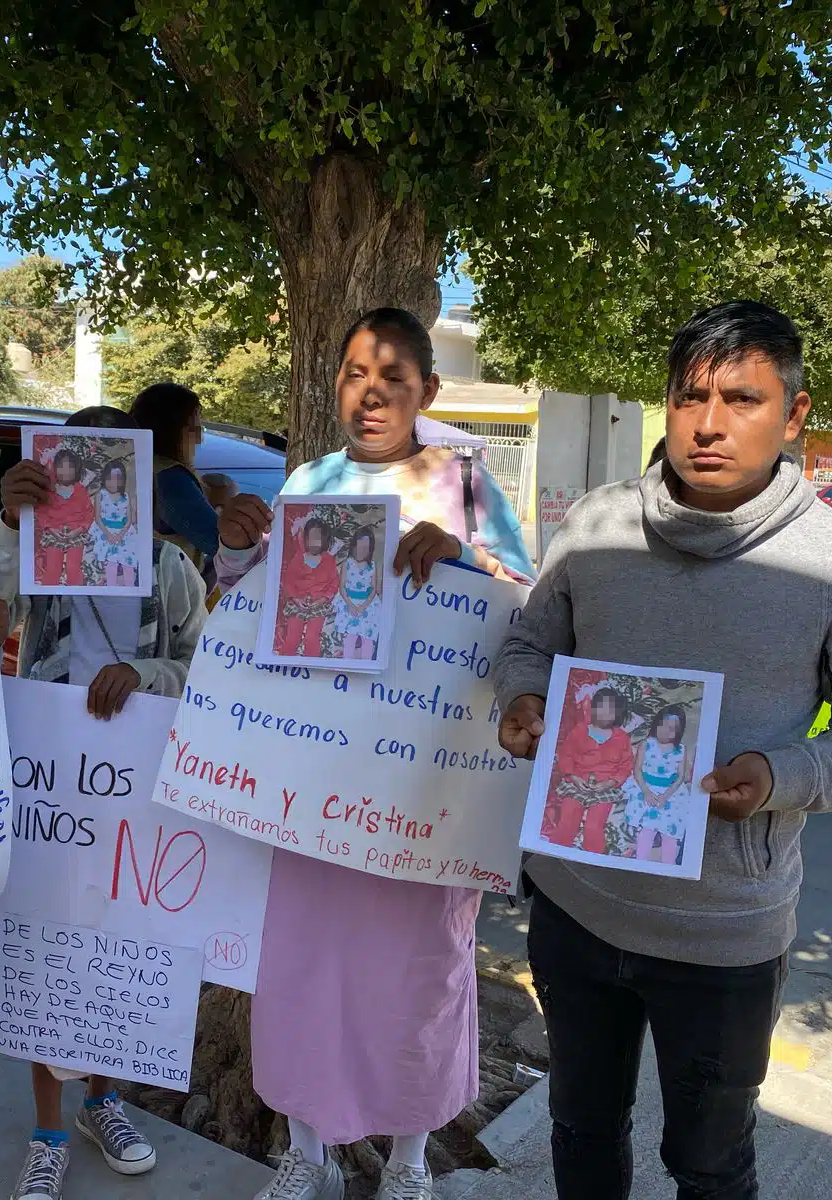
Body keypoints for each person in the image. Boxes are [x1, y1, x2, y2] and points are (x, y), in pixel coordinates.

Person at [493, 300, 832, 1200]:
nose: (711, 424)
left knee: (710, 1165)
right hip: (574, 900)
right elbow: (532, 642)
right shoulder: (598, 527)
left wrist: (780, 778)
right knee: (581, 1130)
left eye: (743, 399)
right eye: (690, 398)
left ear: (794, 416)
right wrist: (524, 697)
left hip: (723, 930)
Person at [213, 307, 534, 1200]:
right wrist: (239, 554)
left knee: (420, 972)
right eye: (356, 373)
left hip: (426, 789)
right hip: (313, 780)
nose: (372, 392)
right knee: (304, 970)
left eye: (393, 376)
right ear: (336, 382)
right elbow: (252, 618)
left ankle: (408, 1161)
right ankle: (304, 1152)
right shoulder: (309, 481)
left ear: (427, 390)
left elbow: (526, 613)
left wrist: (465, 557)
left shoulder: (463, 485)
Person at [0, 405, 208, 1200]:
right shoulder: (32, 559)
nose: (93, 491)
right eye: (71, 473)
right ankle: (48, 1128)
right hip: (50, 787)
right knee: (43, 950)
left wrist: (150, 679)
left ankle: (104, 1101)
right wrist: (7, 517)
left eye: (111, 473)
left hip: (138, 796)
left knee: (117, 947)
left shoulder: (171, 570)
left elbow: (206, 669)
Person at [128, 383, 220, 570]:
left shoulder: (129, 465)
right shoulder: (170, 477)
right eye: (195, 429)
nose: (199, 439)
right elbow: (218, 544)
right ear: (172, 430)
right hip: (170, 589)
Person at [544, 687, 634, 855]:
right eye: (601, 706)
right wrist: (573, 777)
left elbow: (626, 765)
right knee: (568, 822)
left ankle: (594, 859)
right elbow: (566, 756)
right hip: (577, 782)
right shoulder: (579, 731)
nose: (605, 712)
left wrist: (610, 782)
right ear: (592, 708)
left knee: (594, 826)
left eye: (611, 709)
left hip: (605, 788)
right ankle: (554, 853)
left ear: (618, 713)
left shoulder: (622, 738)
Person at [621, 706, 690, 865]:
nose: (666, 731)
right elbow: (637, 770)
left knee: (671, 828)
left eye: (672, 729)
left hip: (671, 791)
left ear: (679, 731)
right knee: (647, 825)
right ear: (656, 725)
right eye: (663, 725)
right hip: (646, 786)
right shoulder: (646, 744)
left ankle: (668, 865)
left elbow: (680, 777)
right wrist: (646, 792)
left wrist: (666, 796)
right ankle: (640, 862)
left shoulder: (681, 750)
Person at [274, 516, 340, 657]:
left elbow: (334, 584)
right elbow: (288, 581)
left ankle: (312, 667)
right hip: (297, 604)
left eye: (318, 538)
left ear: (324, 540)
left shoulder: (328, 561)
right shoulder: (298, 558)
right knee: (292, 638)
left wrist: (322, 600)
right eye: (311, 538)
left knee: (311, 638)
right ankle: (284, 665)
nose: (314, 542)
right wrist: (296, 599)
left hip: (319, 605)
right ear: (305, 539)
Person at [35, 446, 94, 587]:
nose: (65, 472)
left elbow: (89, 513)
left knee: (73, 568)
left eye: (70, 467)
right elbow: (41, 513)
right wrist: (52, 530)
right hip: (54, 535)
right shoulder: (50, 491)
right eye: (61, 467)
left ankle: (77, 595)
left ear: (76, 470)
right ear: (55, 469)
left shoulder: (81, 491)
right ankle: (48, 593)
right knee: (53, 569)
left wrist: (78, 530)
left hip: (76, 535)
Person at [90, 459, 141, 588]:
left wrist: (120, 535)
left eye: (118, 479)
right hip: (105, 530)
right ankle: (111, 586)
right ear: (104, 479)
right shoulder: (100, 495)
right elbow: (97, 518)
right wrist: (109, 535)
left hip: (123, 531)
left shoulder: (125, 497)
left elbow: (129, 520)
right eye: (110, 479)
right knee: (111, 559)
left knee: (128, 559)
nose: (114, 483)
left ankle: (130, 587)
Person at [330, 528, 380, 660]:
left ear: (370, 549)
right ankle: (347, 663)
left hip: (367, 603)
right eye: (359, 546)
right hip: (349, 601)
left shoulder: (373, 566)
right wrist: (351, 605)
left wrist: (364, 606)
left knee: (367, 637)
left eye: (365, 547)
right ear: (353, 546)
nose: (361, 550)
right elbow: (342, 587)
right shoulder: (347, 564)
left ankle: (366, 664)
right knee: (350, 636)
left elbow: (374, 588)